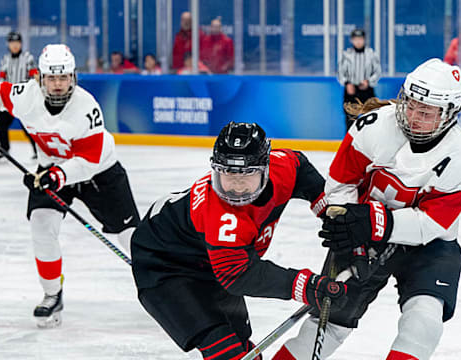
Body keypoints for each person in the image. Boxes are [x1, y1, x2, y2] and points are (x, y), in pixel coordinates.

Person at [273, 58, 461, 360]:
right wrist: (349, 231)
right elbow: (339, 187)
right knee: (328, 323)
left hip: (428, 246)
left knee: (424, 318)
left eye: (425, 111)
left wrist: (374, 222)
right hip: (361, 235)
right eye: (410, 104)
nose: (412, 116)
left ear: (449, 113)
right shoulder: (372, 127)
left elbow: (431, 223)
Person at [0, 44, 140, 328]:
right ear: (40, 78)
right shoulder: (27, 95)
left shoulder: (86, 107)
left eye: (64, 77)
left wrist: (56, 176)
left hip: (99, 173)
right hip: (52, 169)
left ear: (73, 77)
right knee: (42, 223)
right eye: (52, 78)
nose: (58, 84)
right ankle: (52, 293)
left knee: (130, 237)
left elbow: (89, 160)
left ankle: (170, 284)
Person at [131, 122, 348, 360]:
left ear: (265, 169)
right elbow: (237, 274)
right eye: (228, 174)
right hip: (165, 267)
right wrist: (306, 286)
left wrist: (328, 211)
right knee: (225, 350)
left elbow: (300, 167)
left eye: (246, 174)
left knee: (244, 347)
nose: (236, 186)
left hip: (209, 258)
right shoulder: (222, 216)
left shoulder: (282, 167)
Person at [0, 31, 38, 160]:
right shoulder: (5, 59)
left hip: (24, 98)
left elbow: (34, 77)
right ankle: (4, 149)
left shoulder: (28, 58)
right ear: (8, 44)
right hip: (9, 98)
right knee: (1, 124)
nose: (15, 45)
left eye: (17, 43)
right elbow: (2, 79)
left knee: (28, 127)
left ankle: (39, 152)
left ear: (21, 44)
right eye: (12, 43)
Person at [338, 28, 381, 130]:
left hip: (367, 91)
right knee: (350, 120)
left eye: (360, 39)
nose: (358, 41)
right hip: (351, 92)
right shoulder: (346, 55)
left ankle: (369, 144)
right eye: (355, 39)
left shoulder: (371, 54)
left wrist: (368, 82)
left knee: (371, 119)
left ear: (364, 40)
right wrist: (347, 83)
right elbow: (340, 72)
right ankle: (351, 145)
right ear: (352, 40)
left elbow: (377, 71)